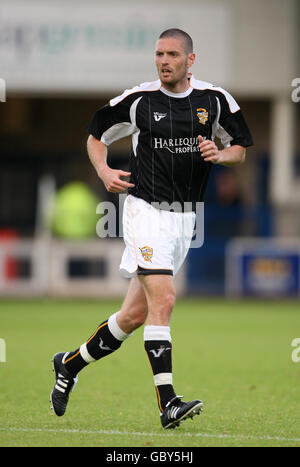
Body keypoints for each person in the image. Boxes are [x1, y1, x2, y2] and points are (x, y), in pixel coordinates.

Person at [50, 28, 253, 429]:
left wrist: (220, 153)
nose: (164, 61)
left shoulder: (214, 101)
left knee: (134, 315)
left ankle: (69, 364)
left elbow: (240, 150)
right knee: (165, 300)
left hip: (184, 219)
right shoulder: (140, 100)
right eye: (159, 53)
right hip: (145, 211)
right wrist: (103, 169)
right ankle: (168, 403)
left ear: (190, 61)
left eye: (173, 54)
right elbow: (96, 135)